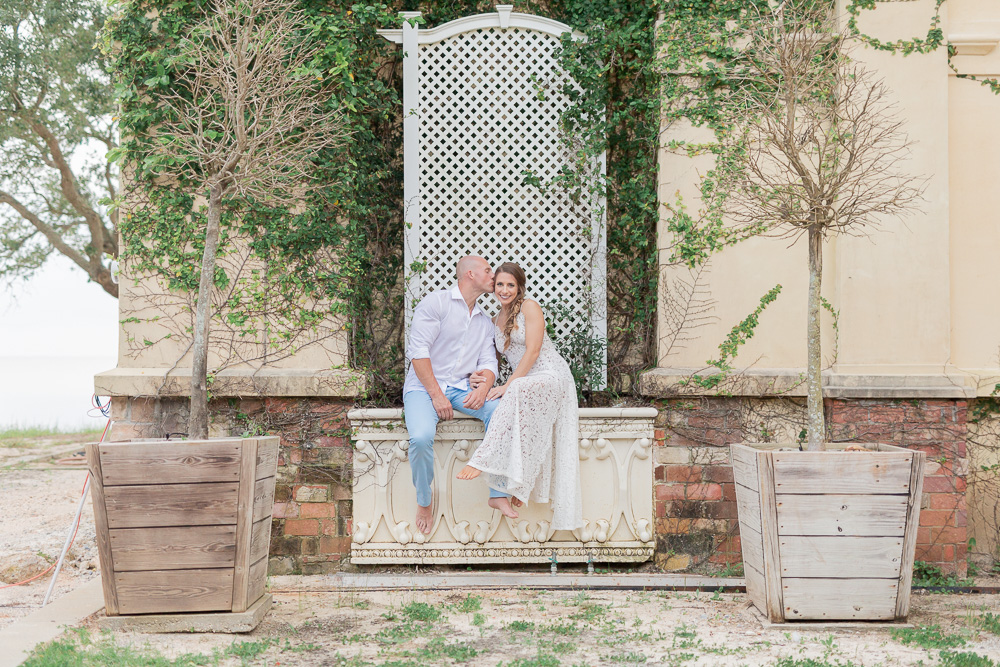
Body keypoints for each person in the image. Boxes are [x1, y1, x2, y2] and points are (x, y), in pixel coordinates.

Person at [456, 262, 583, 531]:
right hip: (525, 382)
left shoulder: (529, 307)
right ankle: (514, 485)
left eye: (510, 285)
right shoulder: (493, 322)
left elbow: (534, 351)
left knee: (513, 392)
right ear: (494, 288)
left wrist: (510, 384)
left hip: (551, 376)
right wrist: (477, 377)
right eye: (500, 284)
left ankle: (482, 460)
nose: (504, 290)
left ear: (519, 287)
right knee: (525, 424)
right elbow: (489, 360)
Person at [403, 255, 518, 535]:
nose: (494, 275)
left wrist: (484, 386)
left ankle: (497, 492)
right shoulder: (437, 303)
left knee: (500, 411)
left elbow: (488, 362)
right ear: (469, 274)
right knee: (420, 437)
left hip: (460, 388)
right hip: (422, 386)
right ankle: (424, 499)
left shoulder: (482, 320)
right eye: (488, 270)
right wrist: (436, 395)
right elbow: (418, 352)